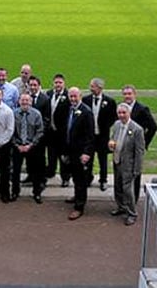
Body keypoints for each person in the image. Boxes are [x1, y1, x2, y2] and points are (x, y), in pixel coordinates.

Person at [109, 102, 146, 226]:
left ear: (129, 113)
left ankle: (132, 213)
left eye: (123, 113)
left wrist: (137, 169)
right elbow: (113, 139)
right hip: (117, 161)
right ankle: (121, 207)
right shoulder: (116, 124)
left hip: (128, 165)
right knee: (117, 187)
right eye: (119, 113)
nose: (121, 115)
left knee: (127, 191)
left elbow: (140, 151)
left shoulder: (137, 129)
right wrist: (111, 144)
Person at [122, 84, 157, 202]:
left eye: (129, 94)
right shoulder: (121, 108)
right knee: (122, 174)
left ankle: (134, 201)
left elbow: (153, 127)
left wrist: (143, 143)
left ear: (134, 94)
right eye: (125, 94)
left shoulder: (142, 109)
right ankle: (123, 201)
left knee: (135, 174)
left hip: (135, 149)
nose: (127, 96)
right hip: (123, 148)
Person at [63, 86, 95, 220]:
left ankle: (79, 207)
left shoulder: (86, 112)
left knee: (81, 179)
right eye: (70, 96)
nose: (72, 99)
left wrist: (86, 153)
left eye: (75, 96)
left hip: (81, 153)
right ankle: (77, 196)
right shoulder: (69, 109)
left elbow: (90, 135)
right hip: (71, 151)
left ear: (80, 96)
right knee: (76, 177)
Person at [82, 77, 116, 191]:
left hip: (102, 136)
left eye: (93, 86)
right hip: (90, 136)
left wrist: (105, 126)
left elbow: (113, 117)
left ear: (100, 88)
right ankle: (88, 178)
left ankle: (103, 180)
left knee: (103, 159)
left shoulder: (110, 102)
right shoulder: (85, 100)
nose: (90, 88)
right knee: (89, 158)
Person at [12, 93, 45, 203]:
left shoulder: (36, 114)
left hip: (31, 147)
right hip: (18, 147)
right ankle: (15, 192)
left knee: (35, 171)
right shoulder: (14, 114)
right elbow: (11, 131)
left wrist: (30, 145)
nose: (25, 102)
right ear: (19, 101)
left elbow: (40, 131)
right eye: (23, 100)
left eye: (27, 100)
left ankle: (37, 193)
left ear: (30, 102)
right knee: (15, 171)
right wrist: (17, 145)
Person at [45, 73, 71, 187]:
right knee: (51, 154)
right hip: (51, 132)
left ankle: (65, 177)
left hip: (62, 133)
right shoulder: (49, 94)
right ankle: (50, 172)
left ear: (64, 83)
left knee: (63, 156)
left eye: (60, 82)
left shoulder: (68, 96)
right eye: (56, 82)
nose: (58, 85)